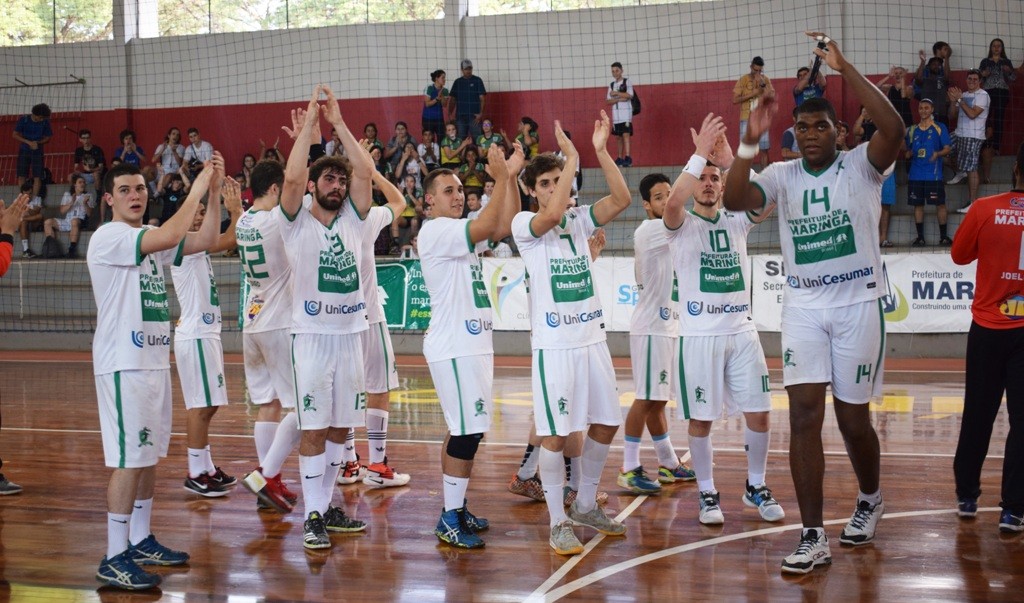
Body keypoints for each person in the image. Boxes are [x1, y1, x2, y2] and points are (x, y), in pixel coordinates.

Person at [723, 32, 904, 575]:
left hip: (857, 306)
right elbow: (735, 198)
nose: (808, 134)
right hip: (802, 308)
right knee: (803, 416)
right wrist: (749, 140)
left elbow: (893, 128)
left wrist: (844, 67)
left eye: (819, 125)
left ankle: (870, 496)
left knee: (853, 421)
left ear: (838, 131)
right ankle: (811, 535)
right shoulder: (781, 175)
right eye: (800, 127)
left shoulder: (862, 166)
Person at [87, 153, 223, 589]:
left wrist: (216, 192)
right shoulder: (109, 236)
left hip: (152, 361)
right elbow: (172, 232)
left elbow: (202, 240)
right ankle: (113, 554)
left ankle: (141, 539)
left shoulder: (148, 237)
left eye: (141, 189)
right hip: (123, 364)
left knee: (146, 456)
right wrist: (198, 185)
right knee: (129, 460)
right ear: (108, 198)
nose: (135, 196)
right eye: (125, 190)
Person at [511, 112, 631, 555]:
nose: (554, 187)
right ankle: (558, 523)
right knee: (555, 435)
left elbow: (621, 198)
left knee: (605, 423)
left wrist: (599, 151)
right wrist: (574, 157)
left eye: (558, 179)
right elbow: (555, 210)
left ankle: (583, 503)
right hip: (555, 346)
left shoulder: (579, 220)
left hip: (592, 340)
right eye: (545, 182)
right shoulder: (525, 228)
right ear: (531, 190)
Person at [665, 115, 781, 526]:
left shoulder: (735, 218)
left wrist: (731, 162)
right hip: (700, 336)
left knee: (761, 412)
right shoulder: (681, 224)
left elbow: (768, 199)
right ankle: (707, 492)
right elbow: (672, 203)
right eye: (705, 178)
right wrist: (698, 156)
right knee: (701, 419)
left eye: (717, 178)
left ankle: (755, 485)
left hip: (742, 333)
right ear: (695, 181)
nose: (711, 183)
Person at [276, 85, 373, 550]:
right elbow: (293, 180)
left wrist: (338, 122)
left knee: (340, 428)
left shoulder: (354, 219)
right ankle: (313, 515)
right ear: (316, 187)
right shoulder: (295, 222)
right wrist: (308, 134)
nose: (337, 185)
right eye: (328, 179)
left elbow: (366, 173)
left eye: (340, 179)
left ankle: (327, 504)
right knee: (313, 428)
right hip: (312, 337)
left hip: (351, 336)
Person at [419, 143, 516, 548]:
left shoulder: (456, 231)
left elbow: (504, 223)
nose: (458, 195)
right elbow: (489, 221)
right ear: (428, 202)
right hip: (455, 345)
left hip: (471, 344)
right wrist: (500, 177)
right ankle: (448, 516)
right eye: (448, 191)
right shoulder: (436, 230)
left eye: (460, 189)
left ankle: (455, 509)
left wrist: (507, 179)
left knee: (465, 430)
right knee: (467, 433)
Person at [951, 141, 1024, 534]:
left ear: (1015, 171)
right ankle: (1014, 509)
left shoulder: (984, 208)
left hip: (988, 329)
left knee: (978, 414)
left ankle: (967, 495)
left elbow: (959, 257)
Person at [618, 172, 696, 496]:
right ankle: (628, 468)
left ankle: (667, 462)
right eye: (660, 197)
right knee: (646, 398)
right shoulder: (652, 229)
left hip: (667, 326)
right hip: (651, 327)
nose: (667, 201)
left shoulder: (668, 230)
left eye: (669, 194)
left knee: (658, 400)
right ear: (648, 206)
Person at [335, 165, 412, 491]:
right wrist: (377, 174)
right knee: (377, 389)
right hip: (367, 317)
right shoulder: (366, 220)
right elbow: (399, 201)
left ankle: (349, 463)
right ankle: (377, 464)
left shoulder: (320, 218)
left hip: (335, 321)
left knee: (347, 392)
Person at [171, 178, 243, 499]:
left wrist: (232, 208)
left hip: (207, 334)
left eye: (202, 212)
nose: (200, 217)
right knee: (201, 406)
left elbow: (228, 238)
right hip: (196, 335)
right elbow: (230, 239)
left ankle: (207, 467)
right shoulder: (181, 243)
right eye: (196, 212)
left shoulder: (196, 245)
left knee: (209, 404)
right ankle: (196, 472)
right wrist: (233, 208)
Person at [237, 159, 302, 514]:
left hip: (252, 320)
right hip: (278, 322)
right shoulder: (277, 221)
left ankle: (268, 482)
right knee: (300, 409)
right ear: (275, 189)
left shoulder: (243, 219)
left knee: (269, 404)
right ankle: (267, 474)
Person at [906, 98, 952, 246]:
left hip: (934, 175)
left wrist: (937, 154)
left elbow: (948, 148)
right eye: (921, 108)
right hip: (915, 174)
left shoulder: (940, 127)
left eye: (926, 108)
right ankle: (920, 238)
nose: (923, 110)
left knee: (940, 205)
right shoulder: (912, 129)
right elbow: (906, 149)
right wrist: (907, 153)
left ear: (932, 109)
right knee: (918, 205)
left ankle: (943, 237)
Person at [948, 70, 991, 214]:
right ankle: (960, 171)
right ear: (966, 80)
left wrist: (959, 100)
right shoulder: (964, 95)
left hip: (973, 136)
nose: (972, 81)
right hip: (959, 133)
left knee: (972, 168)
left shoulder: (983, 95)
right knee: (939, 148)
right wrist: (954, 102)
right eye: (969, 78)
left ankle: (972, 202)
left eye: (975, 79)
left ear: (980, 81)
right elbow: (952, 116)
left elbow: (972, 114)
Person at [732, 57, 774, 169]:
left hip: (761, 118)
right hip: (746, 118)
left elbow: (772, 96)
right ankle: (745, 176)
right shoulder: (743, 80)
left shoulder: (765, 80)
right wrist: (754, 93)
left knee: (764, 149)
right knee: (745, 149)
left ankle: (765, 175)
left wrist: (762, 84)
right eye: (755, 70)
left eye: (760, 71)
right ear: (751, 67)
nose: (758, 73)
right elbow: (735, 100)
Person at [43, 175, 94, 258]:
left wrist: (85, 203)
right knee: (47, 222)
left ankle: (72, 250)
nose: (82, 184)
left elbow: (89, 214)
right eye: (80, 182)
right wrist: (71, 203)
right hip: (67, 221)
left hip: (81, 221)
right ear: (75, 184)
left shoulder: (88, 195)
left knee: (74, 220)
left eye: (84, 182)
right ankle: (52, 248)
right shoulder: (67, 194)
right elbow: (62, 211)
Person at [979, 38, 1016, 153]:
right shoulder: (985, 61)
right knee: (985, 118)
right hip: (987, 92)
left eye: (998, 46)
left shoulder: (1006, 61)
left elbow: (1013, 78)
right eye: (994, 46)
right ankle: (985, 144)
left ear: (1002, 48)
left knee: (999, 118)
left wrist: (1009, 71)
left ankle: (996, 147)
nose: (996, 48)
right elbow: (978, 79)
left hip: (1002, 92)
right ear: (991, 48)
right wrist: (983, 74)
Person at [12, 103, 51, 199]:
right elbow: (15, 134)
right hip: (24, 150)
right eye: (40, 117)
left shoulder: (45, 122)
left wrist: (38, 143)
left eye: (43, 118)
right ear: (34, 114)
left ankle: (34, 199)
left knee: (37, 176)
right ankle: (23, 198)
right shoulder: (24, 120)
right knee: (22, 175)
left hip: (38, 151)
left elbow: (48, 137)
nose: (42, 120)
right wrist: (28, 142)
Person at [607, 62, 635, 167]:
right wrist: (620, 99)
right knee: (618, 137)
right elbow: (608, 101)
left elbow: (629, 95)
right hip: (616, 116)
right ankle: (619, 157)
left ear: (621, 71)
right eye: (613, 71)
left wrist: (617, 94)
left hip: (625, 114)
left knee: (626, 134)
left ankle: (628, 157)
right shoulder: (612, 85)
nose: (615, 73)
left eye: (617, 70)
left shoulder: (627, 82)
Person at [450, 60, 487, 140]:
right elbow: (452, 100)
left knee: (478, 139)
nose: (468, 71)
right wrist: (450, 114)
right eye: (466, 69)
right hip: (460, 117)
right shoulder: (457, 82)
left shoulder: (477, 80)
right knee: (460, 140)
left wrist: (480, 113)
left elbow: (482, 99)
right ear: (462, 70)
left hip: (474, 117)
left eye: (470, 68)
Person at [915, 56, 950, 129]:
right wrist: (923, 62)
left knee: (942, 138)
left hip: (942, 115)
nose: (936, 66)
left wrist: (946, 58)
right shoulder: (925, 80)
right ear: (929, 66)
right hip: (927, 115)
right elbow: (918, 78)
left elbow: (947, 76)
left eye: (939, 64)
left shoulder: (942, 79)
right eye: (934, 64)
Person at [73, 129, 106, 196]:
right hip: (83, 174)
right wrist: (77, 171)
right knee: (71, 176)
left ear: (90, 138)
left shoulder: (97, 149)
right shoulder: (78, 151)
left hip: (94, 174)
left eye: (88, 138)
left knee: (96, 174)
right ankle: (73, 195)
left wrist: (91, 170)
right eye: (84, 138)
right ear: (80, 139)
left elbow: (101, 167)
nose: (86, 140)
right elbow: (75, 167)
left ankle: (98, 197)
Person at [17, 182, 43, 258]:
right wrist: (30, 210)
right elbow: (17, 215)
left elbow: (37, 212)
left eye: (30, 193)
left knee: (40, 216)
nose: (29, 196)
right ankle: (26, 250)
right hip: (22, 225)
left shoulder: (38, 198)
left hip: (33, 223)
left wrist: (26, 209)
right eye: (26, 194)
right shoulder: (17, 200)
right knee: (23, 222)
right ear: (22, 194)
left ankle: (24, 219)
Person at [423, 69, 449, 143]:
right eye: (442, 77)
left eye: (445, 77)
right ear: (437, 78)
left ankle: (440, 154)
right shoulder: (429, 88)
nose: (444, 79)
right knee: (429, 140)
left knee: (441, 139)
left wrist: (442, 97)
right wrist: (436, 99)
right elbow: (427, 104)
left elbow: (444, 105)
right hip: (428, 119)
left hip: (439, 119)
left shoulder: (445, 90)